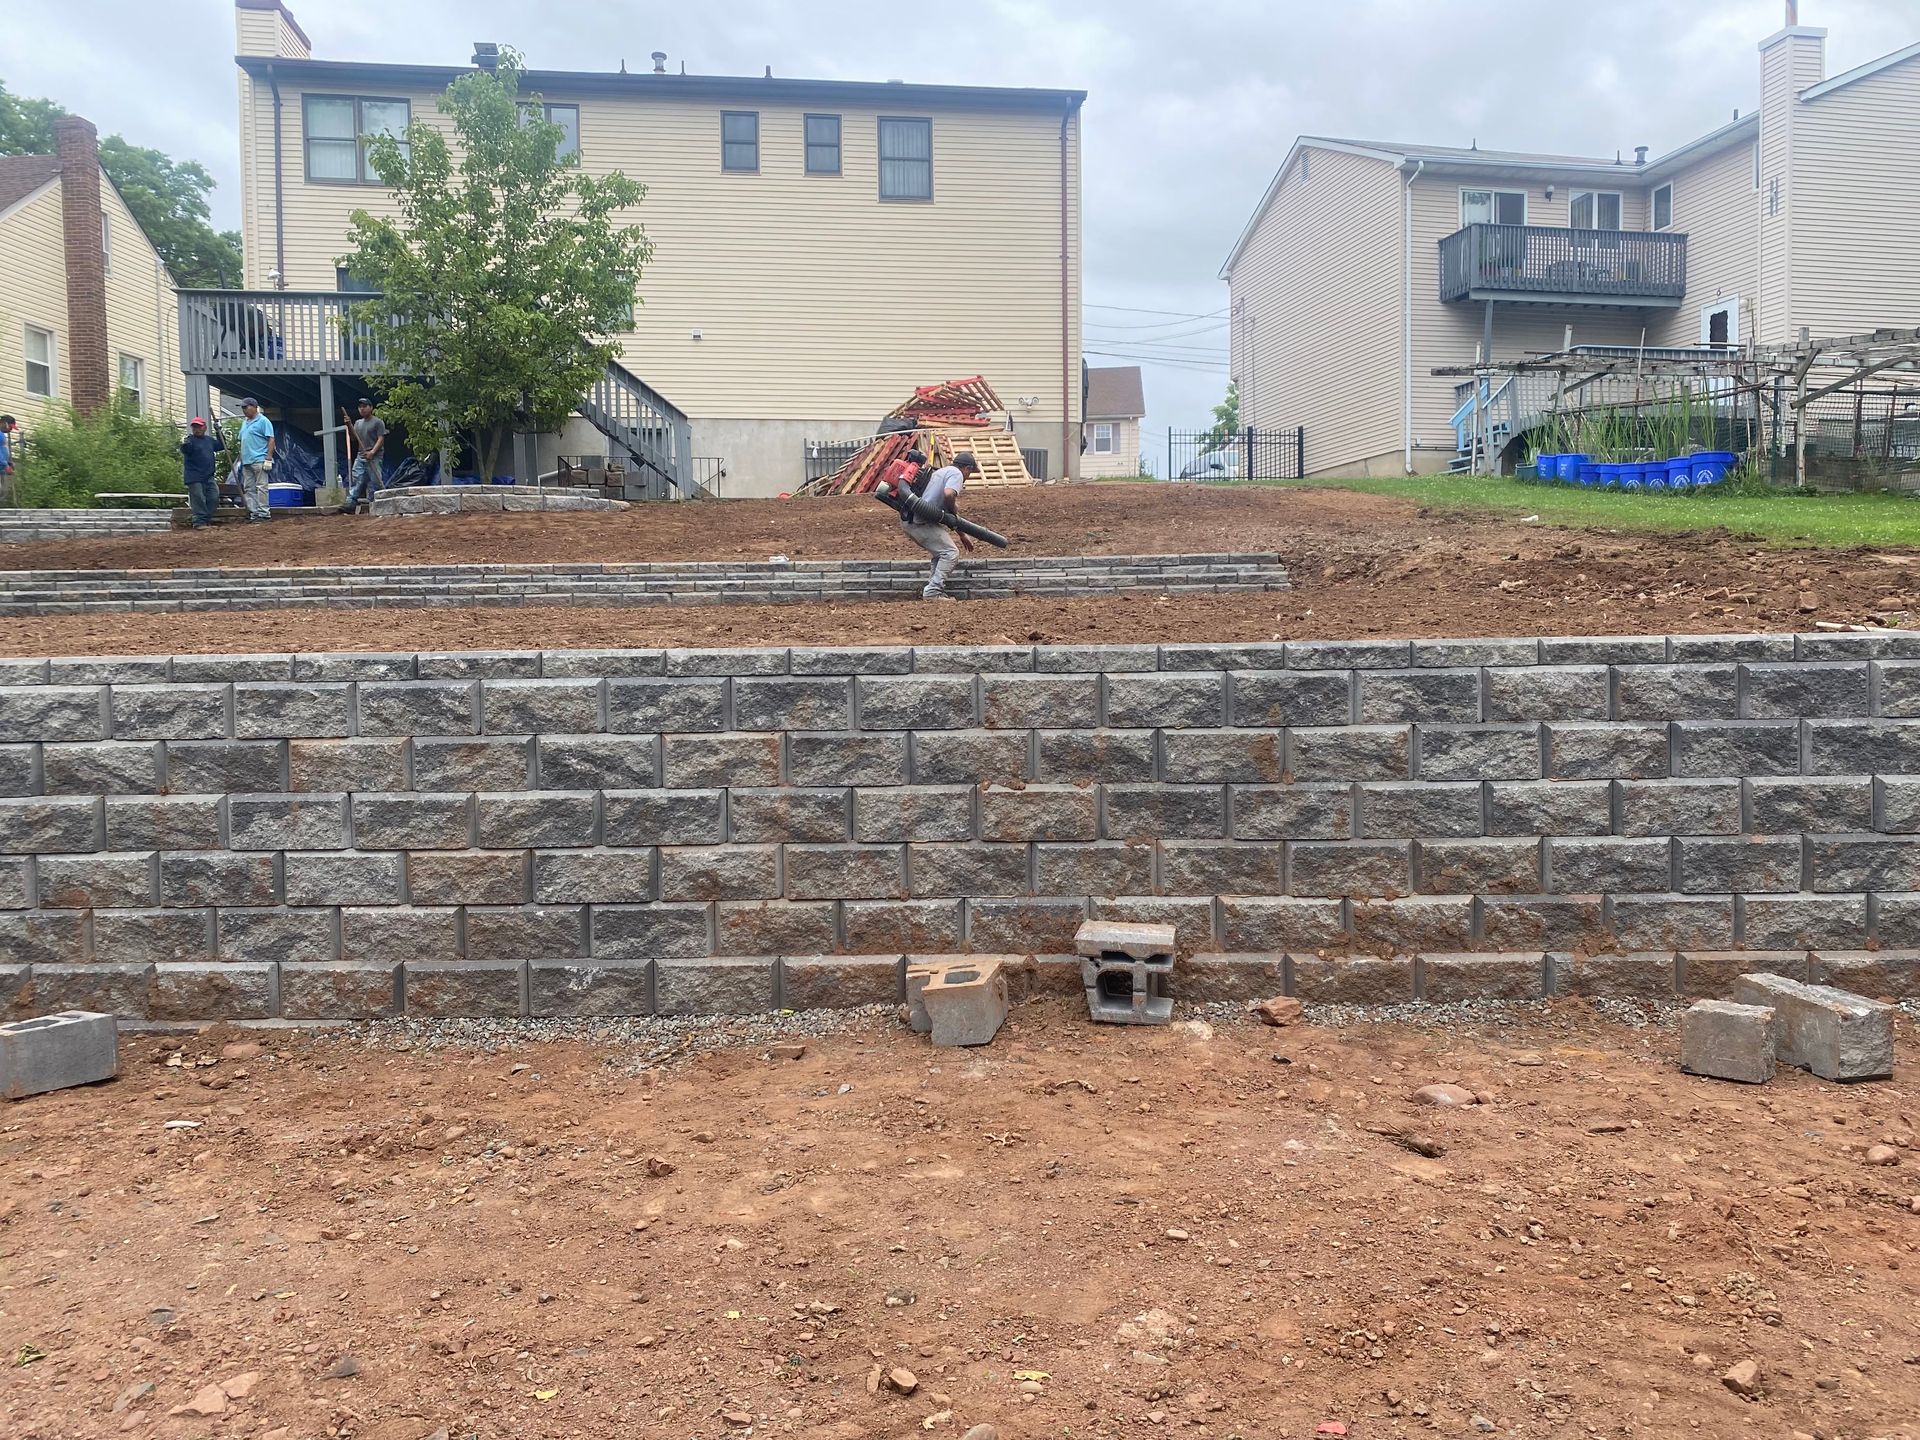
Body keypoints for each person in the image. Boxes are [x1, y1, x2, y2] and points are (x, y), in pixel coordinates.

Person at [900, 451, 978, 599]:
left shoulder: (942, 471)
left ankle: (933, 588)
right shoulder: (957, 474)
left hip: (911, 519)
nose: (968, 476)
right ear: (967, 468)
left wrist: (961, 534)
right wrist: (954, 506)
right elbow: (949, 494)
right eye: (970, 472)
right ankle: (933, 592)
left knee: (941, 553)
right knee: (950, 553)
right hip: (920, 521)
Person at [179, 417, 224, 529]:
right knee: (198, 498)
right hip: (194, 477)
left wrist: (219, 431)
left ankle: (205, 520)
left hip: (208, 476)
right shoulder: (190, 440)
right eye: (194, 427)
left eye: (199, 426)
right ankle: (199, 522)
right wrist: (184, 444)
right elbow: (185, 449)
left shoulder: (209, 441)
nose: (196, 429)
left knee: (214, 497)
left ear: (204, 427)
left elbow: (221, 445)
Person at [236, 397, 276, 521]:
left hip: (259, 459)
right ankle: (254, 513)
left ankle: (264, 513)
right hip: (246, 461)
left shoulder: (263, 421)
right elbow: (242, 440)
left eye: (246, 407)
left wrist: (268, 458)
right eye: (242, 407)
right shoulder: (245, 422)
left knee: (261, 487)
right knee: (249, 488)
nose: (244, 410)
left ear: (254, 407)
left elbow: (271, 439)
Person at [345, 397, 387, 511]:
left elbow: (381, 438)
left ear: (371, 408)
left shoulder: (378, 422)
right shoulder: (358, 423)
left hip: (375, 456)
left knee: (375, 480)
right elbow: (353, 438)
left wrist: (372, 452)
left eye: (364, 406)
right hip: (361, 455)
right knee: (358, 478)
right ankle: (351, 503)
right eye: (360, 407)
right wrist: (349, 425)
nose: (362, 409)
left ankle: (376, 502)